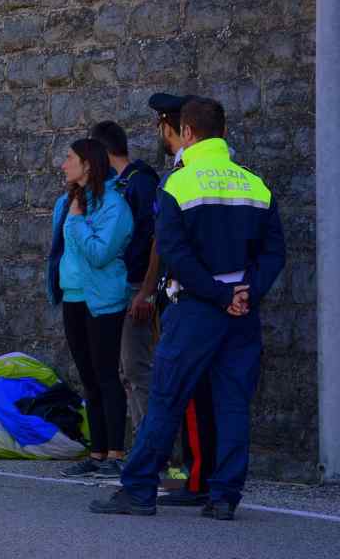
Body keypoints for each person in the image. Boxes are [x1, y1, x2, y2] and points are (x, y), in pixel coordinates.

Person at [91, 97, 285, 520]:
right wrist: (245, 292)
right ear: (224, 132)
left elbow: (175, 253)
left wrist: (217, 295)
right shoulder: (255, 183)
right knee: (233, 402)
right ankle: (224, 497)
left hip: (197, 308)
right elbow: (274, 252)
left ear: (189, 132)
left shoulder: (178, 184)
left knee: (166, 397)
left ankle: (139, 490)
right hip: (242, 311)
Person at [140, 93, 219, 507]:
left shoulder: (184, 174)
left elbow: (167, 242)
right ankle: (200, 475)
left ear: (173, 128)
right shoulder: (222, 171)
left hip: (189, 296)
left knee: (186, 393)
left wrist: (150, 290)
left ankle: (194, 478)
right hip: (215, 295)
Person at [47, 138, 134, 479]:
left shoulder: (114, 205)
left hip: (103, 300)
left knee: (107, 376)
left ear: (87, 164)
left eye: (69, 158)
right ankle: (97, 453)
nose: (63, 164)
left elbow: (100, 254)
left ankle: (115, 453)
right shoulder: (66, 201)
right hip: (73, 298)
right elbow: (59, 251)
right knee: (88, 378)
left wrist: (77, 222)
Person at [89, 121, 161, 433]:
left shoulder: (139, 184)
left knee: (136, 369)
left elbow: (153, 241)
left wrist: (145, 291)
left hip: (136, 288)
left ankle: (154, 454)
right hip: (120, 290)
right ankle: (142, 447)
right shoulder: (120, 186)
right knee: (125, 371)